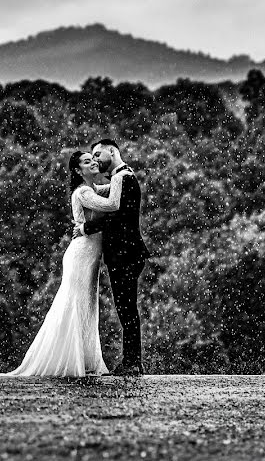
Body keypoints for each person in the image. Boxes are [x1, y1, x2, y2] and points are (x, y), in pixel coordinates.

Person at [7, 151, 124, 377]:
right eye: (87, 162)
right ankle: (73, 360)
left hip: (89, 256)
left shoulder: (90, 189)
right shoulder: (83, 192)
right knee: (76, 305)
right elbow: (112, 204)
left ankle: (85, 359)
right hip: (81, 255)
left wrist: (121, 173)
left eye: (93, 159)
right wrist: (119, 177)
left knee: (87, 306)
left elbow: (105, 192)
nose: (93, 163)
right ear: (79, 171)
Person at [73, 139, 151, 376]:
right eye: (92, 157)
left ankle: (132, 362)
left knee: (126, 308)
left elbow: (116, 215)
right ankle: (131, 361)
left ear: (112, 152)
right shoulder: (122, 177)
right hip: (124, 252)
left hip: (125, 253)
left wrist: (87, 227)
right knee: (125, 308)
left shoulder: (123, 178)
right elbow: (102, 197)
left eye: (98, 154)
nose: (96, 159)